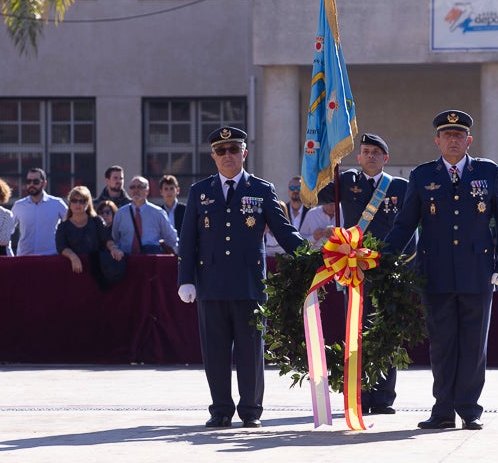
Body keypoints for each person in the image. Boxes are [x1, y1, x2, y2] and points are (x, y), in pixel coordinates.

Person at [384, 110, 498, 430]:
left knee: (473, 344)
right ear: (437, 141)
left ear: (469, 140)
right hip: (436, 271)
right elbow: (405, 225)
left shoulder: (489, 172)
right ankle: (442, 410)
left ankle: (469, 409)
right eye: (447, 135)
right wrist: (380, 259)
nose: (453, 140)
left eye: (459, 135)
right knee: (442, 344)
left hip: (477, 270)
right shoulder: (422, 175)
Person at [177, 126, 304, 429]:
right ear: (213, 156)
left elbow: (284, 231)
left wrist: (313, 255)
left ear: (244, 153)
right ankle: (220, 409)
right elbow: (188, 239)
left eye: (234, 150)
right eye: (221, 151)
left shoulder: (261, 189)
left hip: (249, 285)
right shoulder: (200, 191)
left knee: (250, 353)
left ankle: (250, 411)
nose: (228, 156)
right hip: (211, 284)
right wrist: (186, 279)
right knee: (216, 352)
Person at [317, 132, 409, 415]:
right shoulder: (347, 181)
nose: (370, 156)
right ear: (358, 157)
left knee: (386, 330)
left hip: (386, 266)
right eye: (366, 151)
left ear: (385, 159)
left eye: (376, 152)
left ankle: (383, 397)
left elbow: (410, 226)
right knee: (356, 330)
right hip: (354, 267)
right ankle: (360, 395)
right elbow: (318, 194)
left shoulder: (401, 188)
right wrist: (328, 160)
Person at [56, 186, 125, 288]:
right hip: (73, 271)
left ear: (88, 204)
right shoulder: (63, 226)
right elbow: (61, 247)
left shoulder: (97, 221)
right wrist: (73, 257)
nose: (78, 204)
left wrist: (113, 248)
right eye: (74, 200)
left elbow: (107, 239)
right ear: (70, 204)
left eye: (82, 201)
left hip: (96, 272)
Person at [111, 176, 177, 255]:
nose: (136, 190)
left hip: (150, 261)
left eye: (140, 187)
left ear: (147, 191)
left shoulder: (158, 213)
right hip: (126, 260)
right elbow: (115, 238)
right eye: (132, 187)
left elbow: (171, 239)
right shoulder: (120, 213)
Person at [11, 168, 68, 256]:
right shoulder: (19, 205)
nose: (31, 184)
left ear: (44, 183)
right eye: (28, 181)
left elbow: (71, 225)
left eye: (36, 182)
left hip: (50, 257)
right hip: (24, 259)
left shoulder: (57, 203)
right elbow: (7, 231)